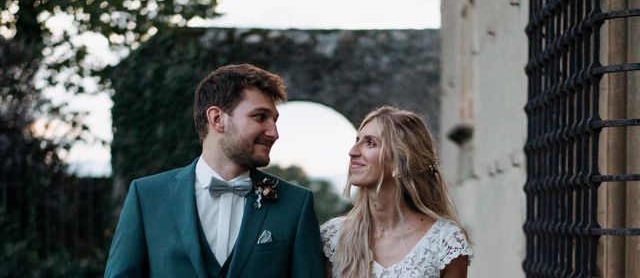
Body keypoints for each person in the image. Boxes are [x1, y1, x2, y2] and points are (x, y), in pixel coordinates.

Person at [105, 63, 325, 278]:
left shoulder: (295, 204)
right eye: (260, 117)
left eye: (274, 121)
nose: (274, 133)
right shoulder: (147, 197)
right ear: (217, 119)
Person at [320, 106, 472, 278]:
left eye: (370, 143)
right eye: (357, 140)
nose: (353, 152)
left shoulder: (445, 241)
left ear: (400, 161)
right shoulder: (333, 237)